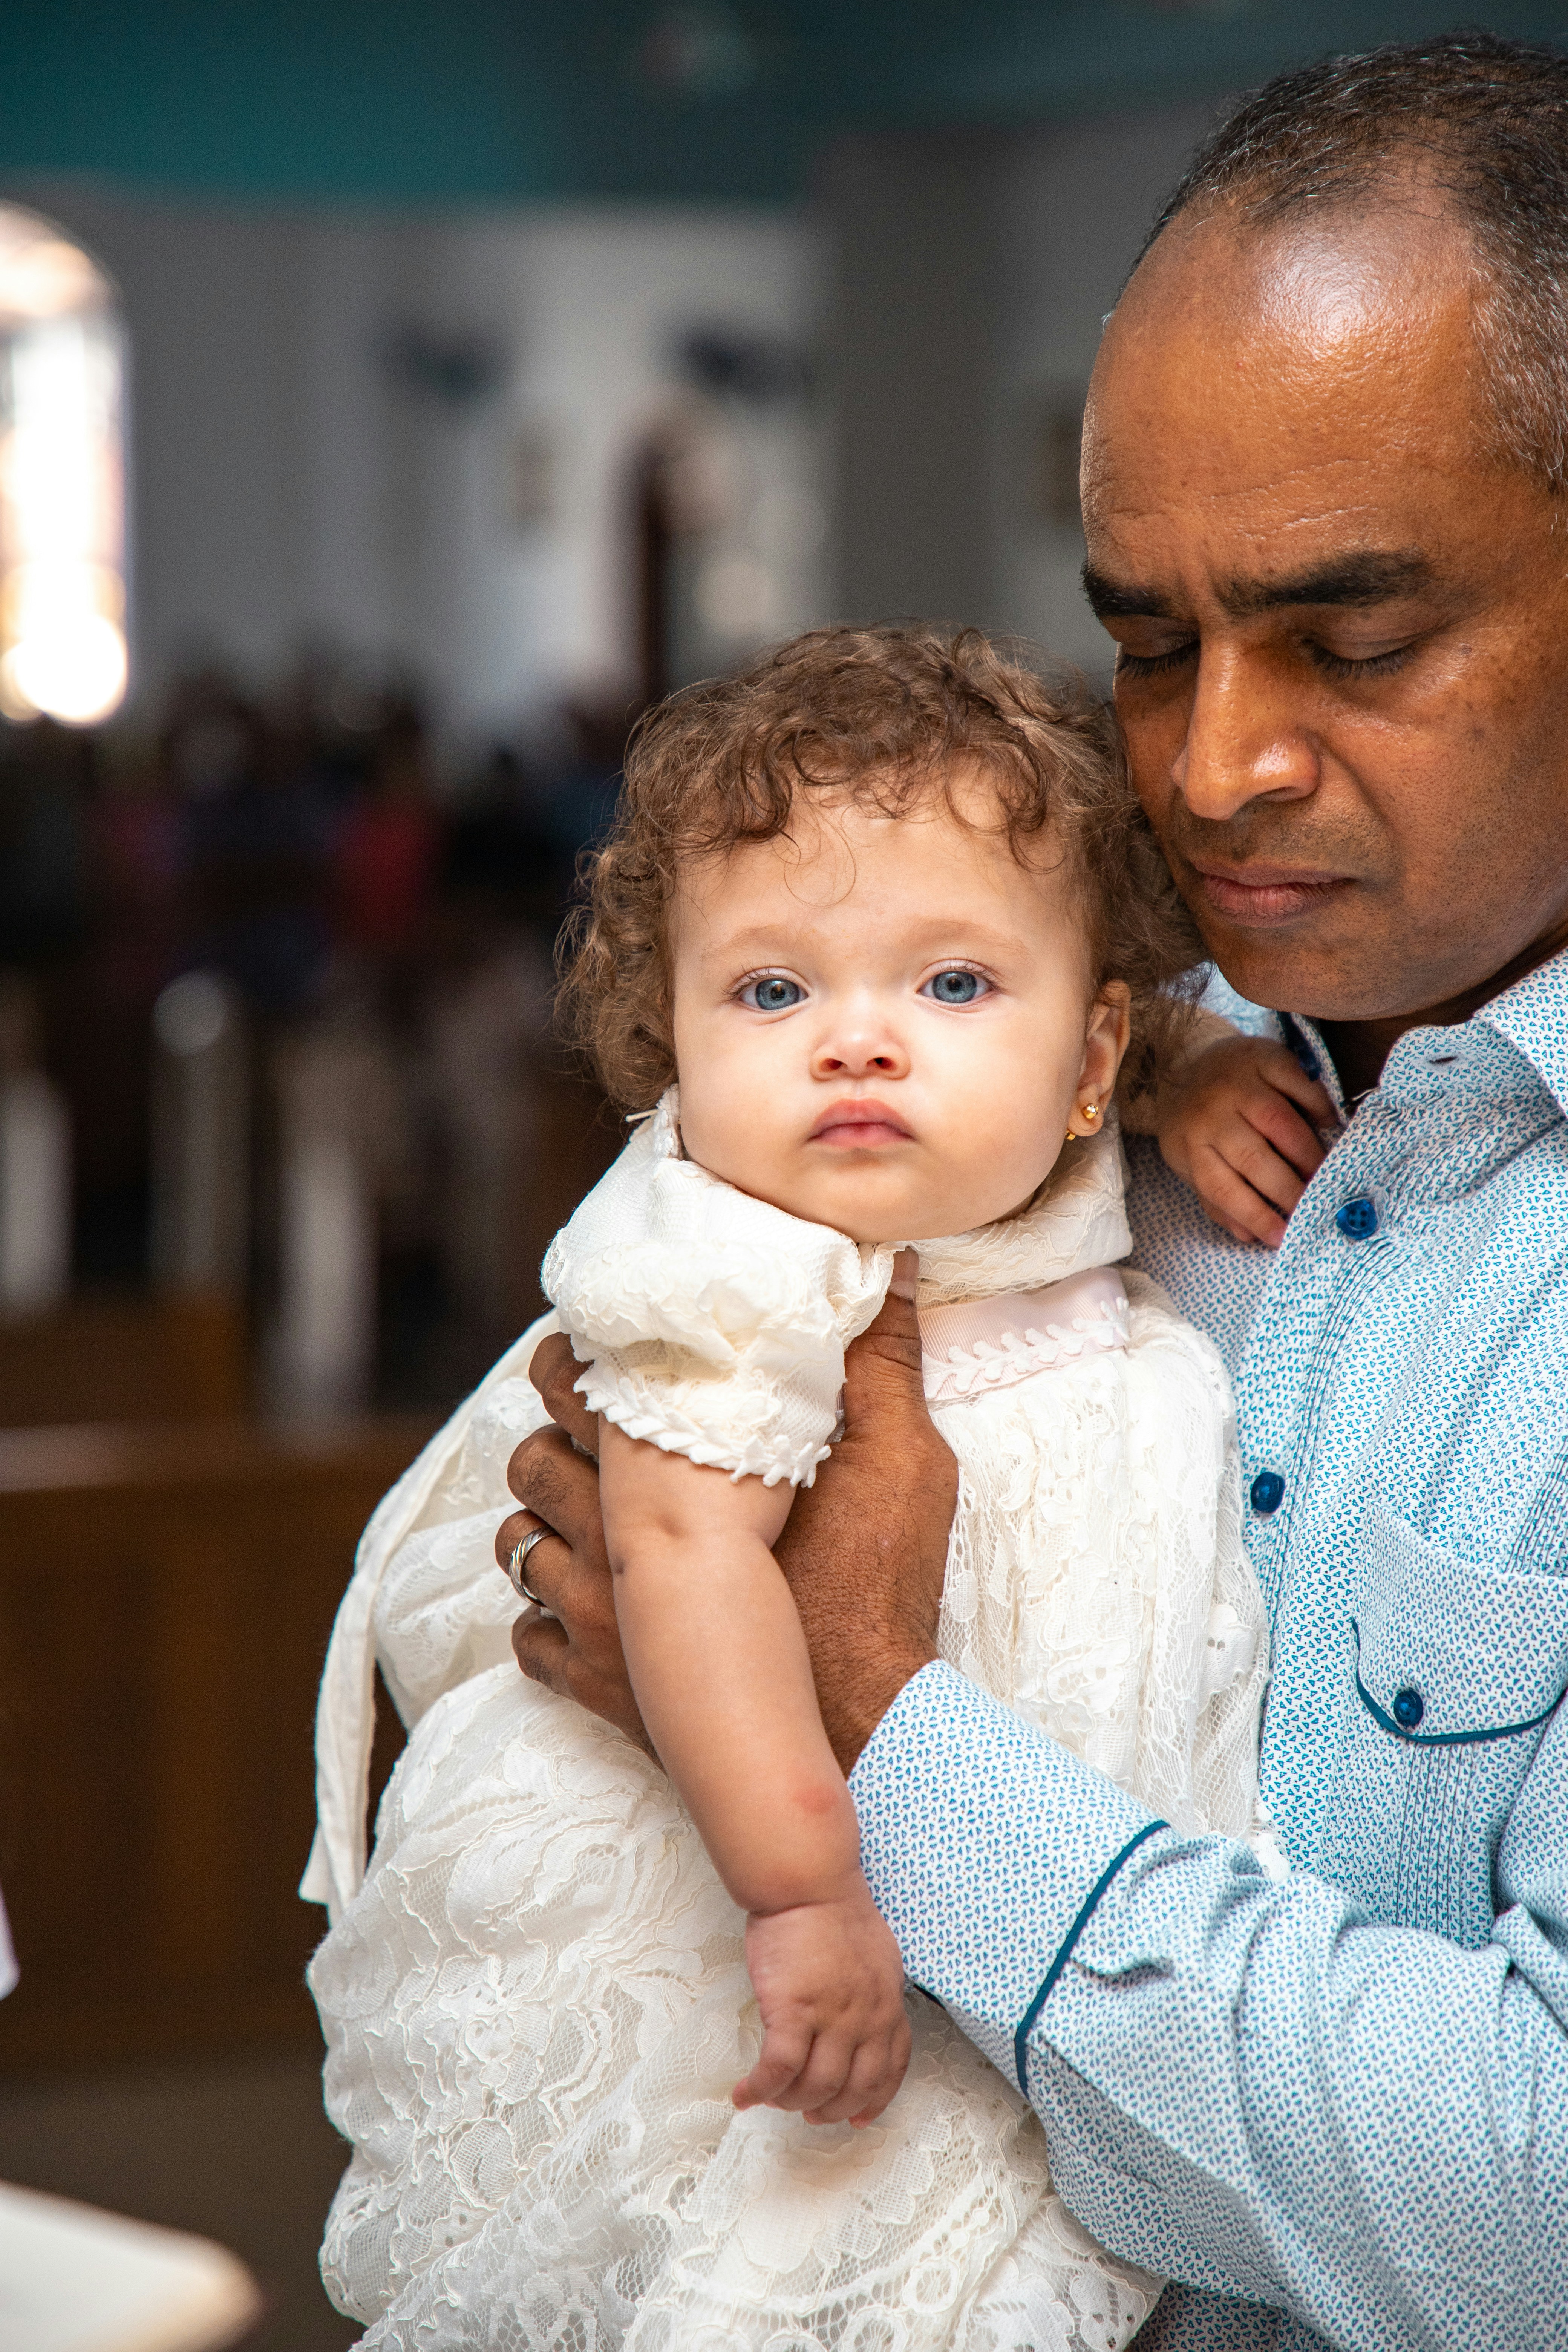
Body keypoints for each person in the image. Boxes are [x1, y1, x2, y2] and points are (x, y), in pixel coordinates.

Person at [496, 34, 1568, 2352]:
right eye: (1148, 643)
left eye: (1356, 641)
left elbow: (1545, 2189)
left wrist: (873, 1720)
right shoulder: (1061, 1060)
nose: (1213, 765)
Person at [304, 626, 1272, 2348]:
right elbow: (682, 1557)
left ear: (1091, 1064)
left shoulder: (1050, 1158)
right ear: (672, 1048)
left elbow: (1097, 998)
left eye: (949, 986)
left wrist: (1188, 1073)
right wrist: (805, 1896)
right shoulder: (727, 1259)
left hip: (1021, 1887)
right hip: (738, 1868)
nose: (857, 1043)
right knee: (741, 2209)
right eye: (771, 993)